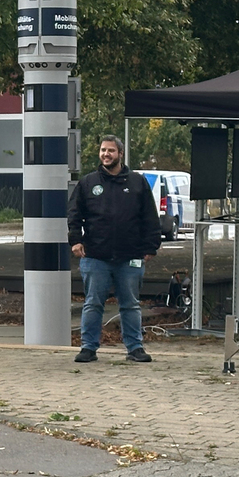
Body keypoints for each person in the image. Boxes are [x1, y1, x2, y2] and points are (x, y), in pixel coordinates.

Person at [67, 135, 161, 363]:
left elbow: (150, 217)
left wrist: (151, 246)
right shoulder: (88, 183)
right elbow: (74, 214)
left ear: (120, 154)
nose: (106, 154)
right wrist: (75, 240)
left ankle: (135, 348)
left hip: (130, 256)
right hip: (95, 256)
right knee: (92, 303)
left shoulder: (137, 183)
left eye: (110, 150)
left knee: (130, 304)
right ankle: (88, 348)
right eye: (102, 150)